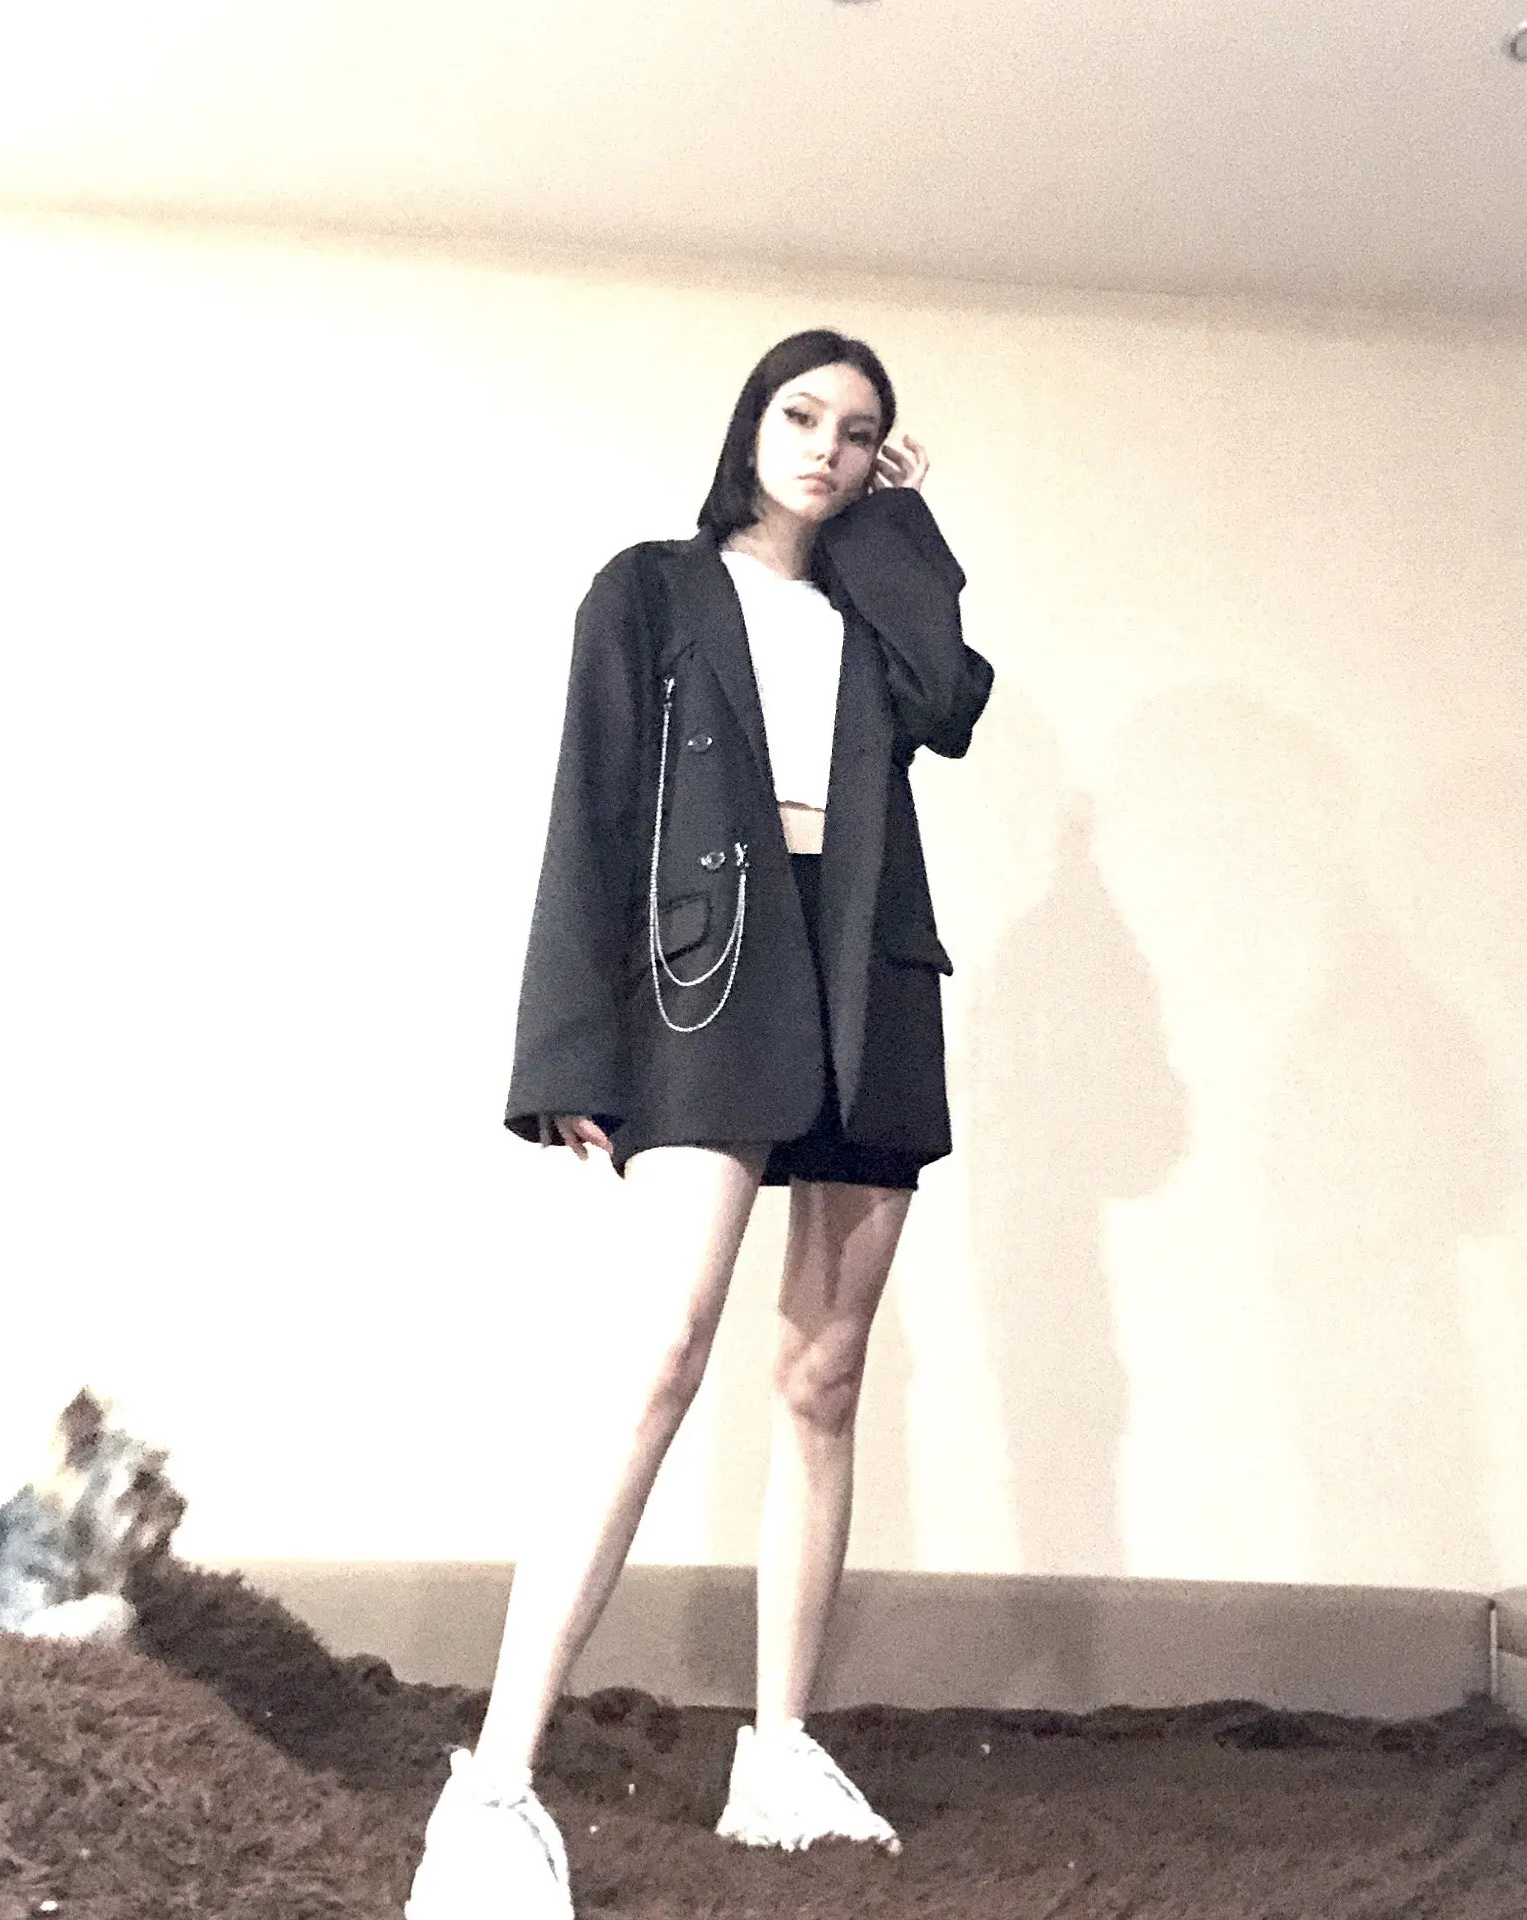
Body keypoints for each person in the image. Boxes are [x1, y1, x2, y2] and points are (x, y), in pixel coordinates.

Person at [405, 329, 993, 1920]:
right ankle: (496, 1783)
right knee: (660, 1354)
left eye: (860, 433)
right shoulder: (652, 590)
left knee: (824, 1375)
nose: (826, 447)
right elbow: (589, 808)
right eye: (803, 414)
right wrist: (568, 1052)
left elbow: (948, 701)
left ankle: (783, 1751)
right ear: (752, 422)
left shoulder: (872, 602)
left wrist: (904, 534)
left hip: (866, 966)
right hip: (706, 972)